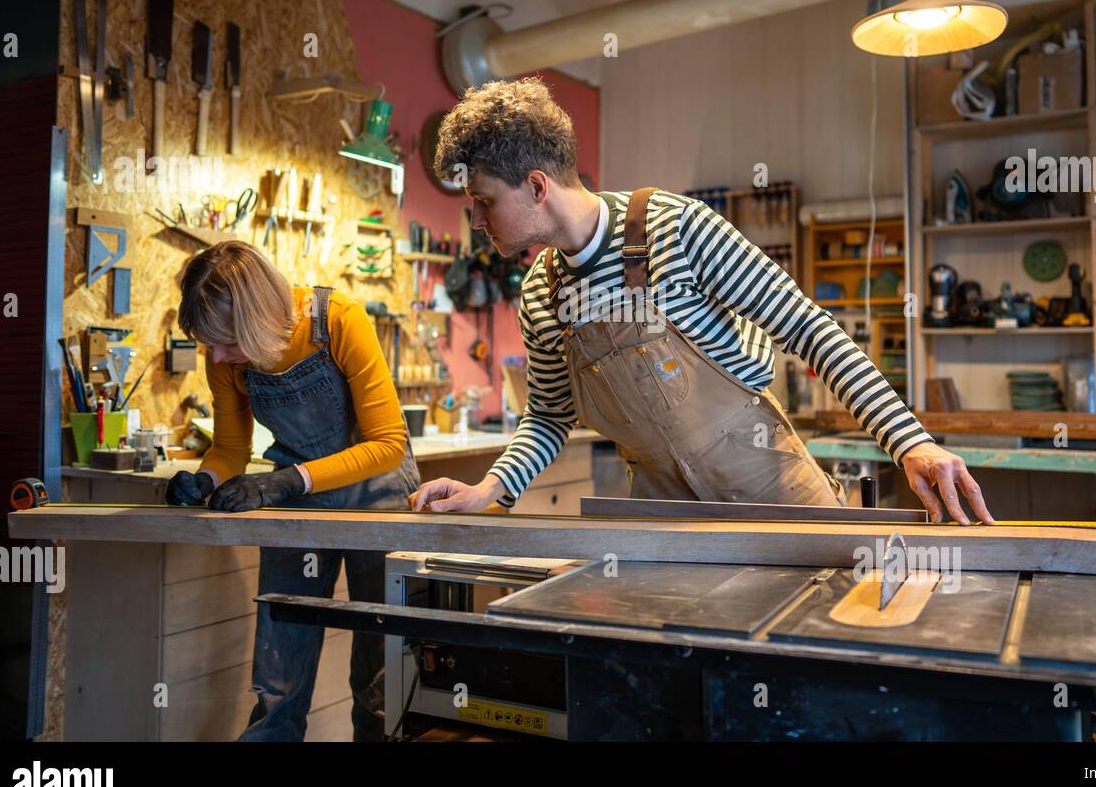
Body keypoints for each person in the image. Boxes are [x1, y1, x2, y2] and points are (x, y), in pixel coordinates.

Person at [410, 78, 992, 525]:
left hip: (771, 488)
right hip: (665, 515)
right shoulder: (541, 293)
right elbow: (548, 415)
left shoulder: (674, 227)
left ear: (537, 186)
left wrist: (909, 440)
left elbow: (807, 326)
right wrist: (491, 488)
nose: (478, 220)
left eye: (484, 202)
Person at [166, 241, 419, 741]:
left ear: (258, 319)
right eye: (209, 344)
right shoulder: (225, 355)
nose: (216, 357)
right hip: (296, 499)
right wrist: (206, 478)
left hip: (378, 497)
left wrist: (284, 480)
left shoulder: (339, 320)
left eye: (226, 343)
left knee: (381, 679)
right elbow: (231, 447)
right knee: (279, 681)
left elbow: (388, 444)